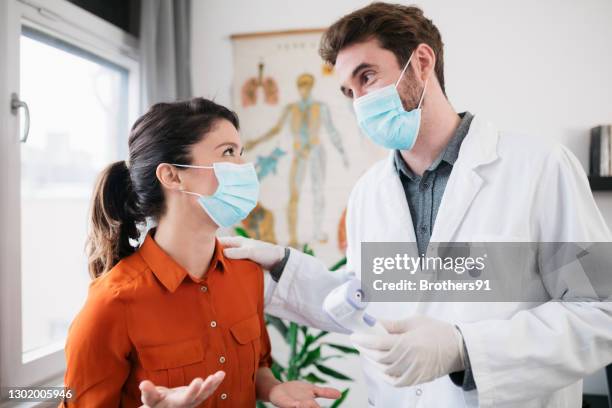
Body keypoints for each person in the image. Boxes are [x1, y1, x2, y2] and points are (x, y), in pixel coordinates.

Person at [219, 3, 612, 407]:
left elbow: (601, 310)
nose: (359, 102)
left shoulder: (540, 167)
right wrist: (285, 266)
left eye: (367, 77)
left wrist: (465, 349)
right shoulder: (369, 193)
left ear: (422, 62)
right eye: (348, 91)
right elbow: (363, 301)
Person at [60, 98, 341, 408]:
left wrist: (273, 388)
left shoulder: (247, 275)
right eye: (227, 153)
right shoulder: (112, 303)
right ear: (172, 176)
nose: (244, 167)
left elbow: (258, 367)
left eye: (239, 152)